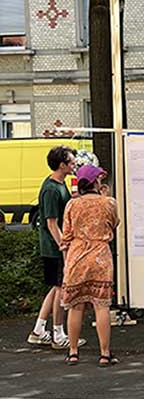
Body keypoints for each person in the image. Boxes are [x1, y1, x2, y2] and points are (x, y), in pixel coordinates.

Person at [61, 164, 120, 366]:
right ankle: (105, 354)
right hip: (100, 257)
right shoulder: (109, 203)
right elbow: (114, 223)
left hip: (77, 256)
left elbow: (66, 235)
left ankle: (73, 352)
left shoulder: (72, 205)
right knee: (101, 306)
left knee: (76, 306)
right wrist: (106, 196)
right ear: (96, 181)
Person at [27, 144, 84, 350]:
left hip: (54, 246)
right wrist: (64, 247)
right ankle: (58, 335)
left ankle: (38, 330)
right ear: (62, 165)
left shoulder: (59, 184)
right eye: (71, 161)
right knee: (61, 289)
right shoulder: (51, 189)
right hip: (54, 247)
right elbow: (51, 223)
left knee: (55, 286)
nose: (74, 164)